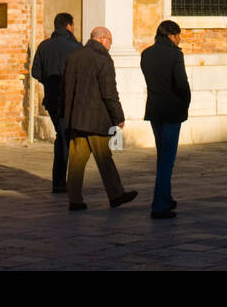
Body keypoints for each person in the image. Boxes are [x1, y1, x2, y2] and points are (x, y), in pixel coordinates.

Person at [61, 26, 137, 211]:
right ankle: (116, 194)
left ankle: (75, 199)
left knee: (77, 160)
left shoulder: (74, 57)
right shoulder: (103, 59)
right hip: (96, 118)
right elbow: (109, 92)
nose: (110, 45)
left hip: (76, 118)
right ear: (103, 39)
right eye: (110, 41)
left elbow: (66, 88)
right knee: (104, 157)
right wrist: (118, 116)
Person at [140, 19, 191, 219]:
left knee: (162, 156)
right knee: (167, 159)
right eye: (178, 36)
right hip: (171, 111)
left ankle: (166, 198)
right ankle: (160, 203)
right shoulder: (175, 55)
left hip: (154, 110)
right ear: (171, 35)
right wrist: (185, 102)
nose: (179, 40)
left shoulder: (146, 54)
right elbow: (181, 83)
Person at [31, 12, 83, 193]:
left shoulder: (44, 46)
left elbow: (35, 72)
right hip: (70, 100)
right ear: (69, 26)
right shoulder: (76, 47)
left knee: (62, 136)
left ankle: (61, 180)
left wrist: (49, 82)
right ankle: (62, 181)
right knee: (65, 139)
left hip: (52, 99)